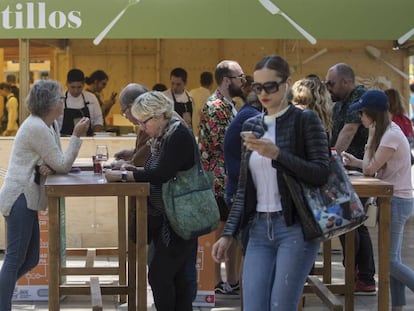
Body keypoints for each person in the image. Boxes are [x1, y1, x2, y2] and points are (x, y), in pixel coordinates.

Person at [212, 55, 330, 310]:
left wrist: (277, 154)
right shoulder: (252, 124)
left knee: (280, 305)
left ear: (286, 84)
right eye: (257, 87)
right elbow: (244, 188)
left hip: (295, 227)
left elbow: (321, 172)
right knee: (253, 304)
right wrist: (228, 234)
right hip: (258, 229)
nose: (263, 92)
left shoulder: (305, 121)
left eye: (270, 86)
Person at [0, 80, 90, 311]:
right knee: (14, 259)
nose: (63, 101)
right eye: (60, 98)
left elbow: (55, 159)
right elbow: (62, 163)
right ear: (50, 103)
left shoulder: (49, 125)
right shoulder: (36, 127)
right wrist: (77, 137)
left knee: (29, 259)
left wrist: (48, 164)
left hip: (28, 197)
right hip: (20, 196)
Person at [105, 91, 196, 311]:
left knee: (160, 275)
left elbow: (161, 173)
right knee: (174, 278)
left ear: (157, 116)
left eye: (143, 122)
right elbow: (155, 168)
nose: (142, 128)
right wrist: (134, 168)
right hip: (167, 216)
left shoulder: (177, 134)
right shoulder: (166, 132)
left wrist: (127, 175)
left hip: (178, 218)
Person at [342, 90, 414, 311]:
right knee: (392, 259)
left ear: (372, 114)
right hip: (396, 200)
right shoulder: (390, 132)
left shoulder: (388, 135)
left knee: (390, 261)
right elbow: (370, 165)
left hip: (397, 202)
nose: (360, 117)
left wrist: (370, 140)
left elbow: (370, 168)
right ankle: (398, 306)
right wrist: (354, 160)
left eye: (362, 112)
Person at [325, 62, 376, 294]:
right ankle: (355, 272)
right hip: (346, 171)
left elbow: (349, 131)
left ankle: (364, 276)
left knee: (355, 222)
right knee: (347, 222)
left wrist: (330, 162)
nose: (328, 88)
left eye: (331, 83)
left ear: (346, 81)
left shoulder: (359, 97)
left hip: (358, 170)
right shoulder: (339, 103)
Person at [198, 60, 245, 296]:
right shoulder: (217, 106)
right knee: (222, 231)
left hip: (226, 176)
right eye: (240, 77)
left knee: (231, 231)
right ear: (227, 80)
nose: (243, 81)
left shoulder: (228, 104)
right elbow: (223, 143)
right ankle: (217, 281)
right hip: (218, 178)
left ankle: (232, 280)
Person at [112, 83, 151, 168]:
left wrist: (123, 165)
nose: (125, 117)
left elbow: (142, 162)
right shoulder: (145, 120)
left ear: (131, 107)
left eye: (124, 111)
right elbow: (148, 151)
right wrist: (133, 153)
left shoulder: (151, 122)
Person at [58, 69, 104, 136]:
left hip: (87, 140)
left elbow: (98, 121)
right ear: (67, 84)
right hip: (65, 139)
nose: (76, 91)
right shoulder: (59, 98)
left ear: (83, 84)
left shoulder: (91, 98)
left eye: (79, 87)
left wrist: (94, 137)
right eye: (72, 87)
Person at [189, 71, 213, 136]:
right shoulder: (211, 98)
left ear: (200, 81)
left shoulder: (191, 93)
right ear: (211, 83)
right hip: (203, 134)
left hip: (190, 131)